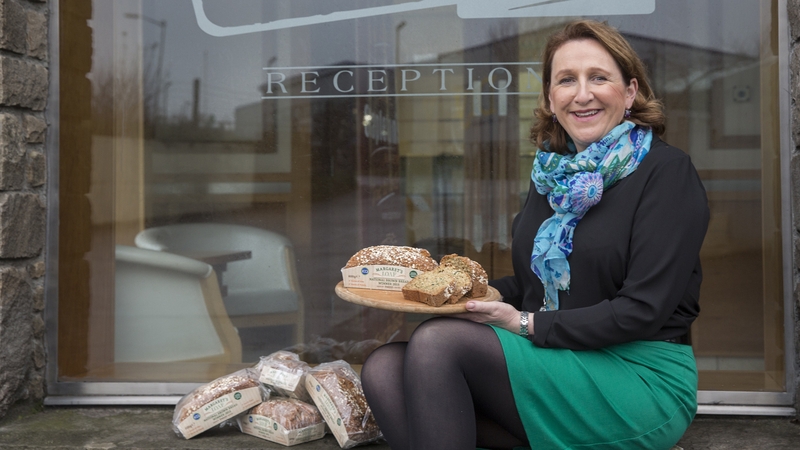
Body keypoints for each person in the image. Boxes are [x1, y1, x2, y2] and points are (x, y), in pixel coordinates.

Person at [361, 19, 709, 450]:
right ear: (550, 96)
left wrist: (523, 323)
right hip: (557, 360)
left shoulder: (666, 172)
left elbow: (643, 309)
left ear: (631, 92)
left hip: (638, 375)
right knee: (384, 368)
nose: (582, 94)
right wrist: (461, 295)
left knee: (437, 345)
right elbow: (532, 286)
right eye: (566, 80)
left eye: (598, 77)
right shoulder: (553, 176)